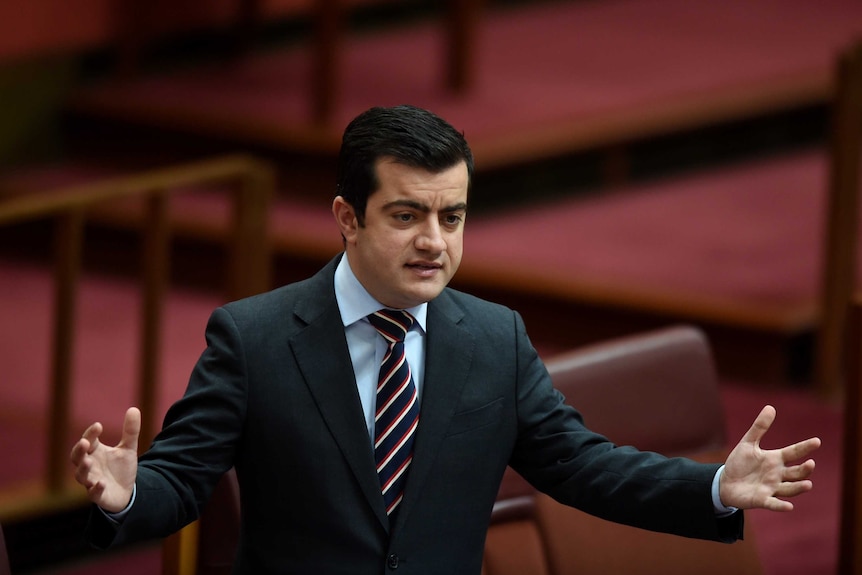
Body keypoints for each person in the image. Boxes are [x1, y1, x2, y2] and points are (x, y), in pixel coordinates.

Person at [70, 105, 820, 574]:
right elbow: (181, 481)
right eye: (406, 216)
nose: (434, 242)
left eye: (452, 216)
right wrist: (125, 493)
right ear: (347, 216)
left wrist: (714, 486)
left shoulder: (495, 338)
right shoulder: (255, 337)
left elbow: (581, 464)